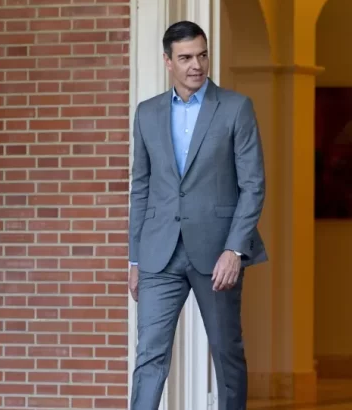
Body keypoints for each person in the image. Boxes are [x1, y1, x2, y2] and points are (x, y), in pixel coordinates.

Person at [128, 20, 267, 410]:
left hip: (217, 252)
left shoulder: (236, 108)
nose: (196, 65)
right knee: (149, 357)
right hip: (159, 253)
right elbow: (141, 187)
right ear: (167, 61)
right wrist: (135, 258)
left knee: (227, 353)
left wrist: (235, 250)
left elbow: (253, 184)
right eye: (186, 57)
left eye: (202, 55)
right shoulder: (147, 113)